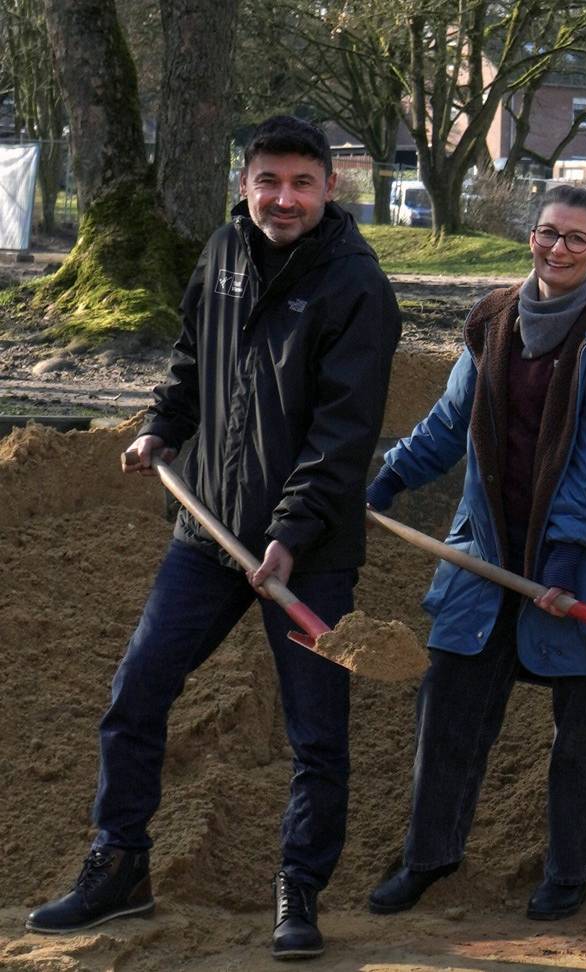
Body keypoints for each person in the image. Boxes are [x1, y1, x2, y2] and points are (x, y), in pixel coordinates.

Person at [23, 115, 401, 960]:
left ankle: (297, 893)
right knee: (136, 695)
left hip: (307, 555)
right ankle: (119, 868)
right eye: (268, 181)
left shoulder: (356, 287)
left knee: (316, 734)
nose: (284, 198)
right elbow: (196, 358)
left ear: (329, 189)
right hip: (207, 535)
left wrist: (293, 535)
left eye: (302, 183)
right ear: (245, 182)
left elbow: (343, 435)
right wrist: (163, 424)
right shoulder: (223, 255)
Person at [361, 185, 586, 923]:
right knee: (450, 709)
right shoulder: (493, 320)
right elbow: (451, 421)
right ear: (529, 238)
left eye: (576, 239)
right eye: (547, 234)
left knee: (583, 735)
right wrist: (391, 477)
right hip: (488, 555)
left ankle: (569, 873)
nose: (559, 249)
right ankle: (428, 858)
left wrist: (564, 557)